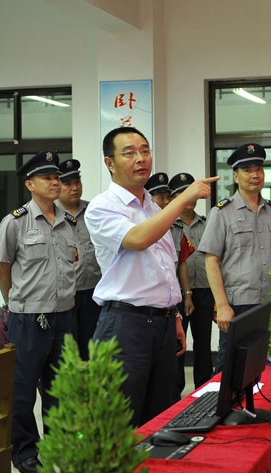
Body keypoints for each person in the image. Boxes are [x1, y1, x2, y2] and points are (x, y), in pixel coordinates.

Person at [85, 127, 217, 426]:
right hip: (125, 325)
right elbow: (139, 239)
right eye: (129, 153)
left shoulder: (152, 207)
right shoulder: (102, 207)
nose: (140, 158)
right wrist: (183, 199)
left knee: (159, 417)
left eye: (145, 151)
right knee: (121, 420)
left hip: (163, 323)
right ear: (109, 163)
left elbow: (166, 265)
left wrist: (175, 316)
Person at [0, 151, 78, 473]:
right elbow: (3, 268)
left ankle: (57, 445)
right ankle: (24, 451)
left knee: (60, 387)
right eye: (47, 178)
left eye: (57, 177)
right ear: (30, 184)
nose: (55, 182)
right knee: (23, 388)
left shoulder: (68, 220)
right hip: (28, 318)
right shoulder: (15, 222)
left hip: (65, 315)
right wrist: (16, 304)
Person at [198, 143, 271, 371]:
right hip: (237, 305)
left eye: (259, 169)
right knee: (230, 369)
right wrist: (221, 305)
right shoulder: (221, 213)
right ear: (236, 176)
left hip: (268, 302)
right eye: (247, 170)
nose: (255, 175)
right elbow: (211, 260)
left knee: (265, 367)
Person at [169, 172, 215, 398]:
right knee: (178, 345)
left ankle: (204, 390)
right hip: (179, 294)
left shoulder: (206, 224)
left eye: (190, 191)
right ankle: (175, 393)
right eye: (181, 193)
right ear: (174, 197)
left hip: (205, 290)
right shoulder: (168, 225)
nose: (188, 197)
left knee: (203, 342)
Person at [56, 158, 102, 361]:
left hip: (94, 290)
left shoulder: (93, 211)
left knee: (92, 346)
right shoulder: (51, 214)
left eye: (77, 182)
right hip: (65, 293)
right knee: (66, 348)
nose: (74, 188)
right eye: (68, 184)